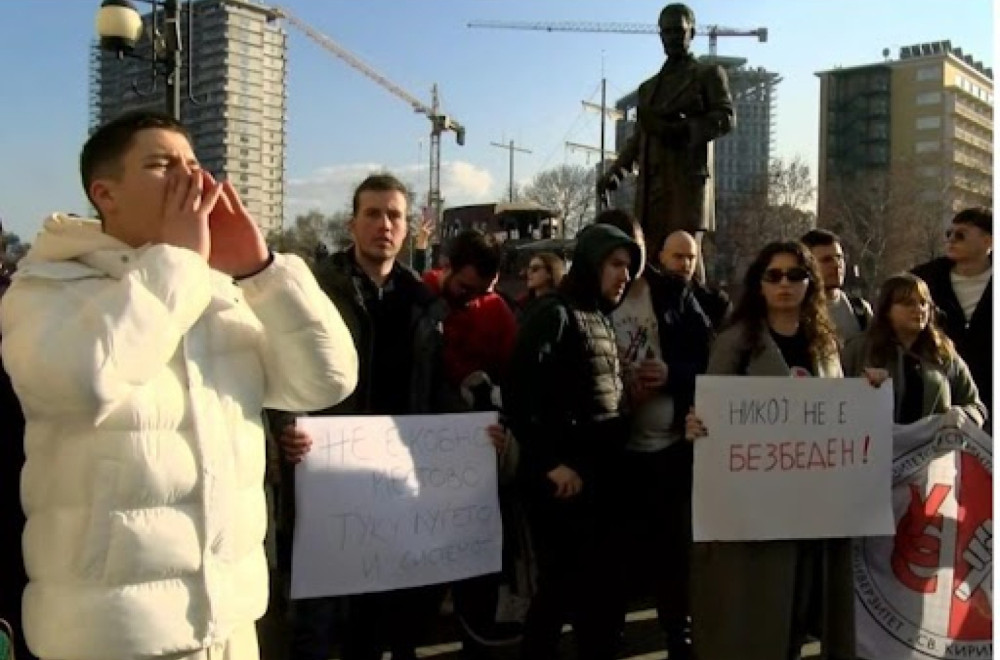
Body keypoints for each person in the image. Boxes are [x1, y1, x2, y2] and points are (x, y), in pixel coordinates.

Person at [0, 110, 358, 660]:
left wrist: (261, 269)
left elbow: (326, 381)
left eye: (193, 163)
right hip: (113, 635)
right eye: (161, 164)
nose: (189, 178)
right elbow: (83, 386)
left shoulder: (216, 291)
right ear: (106, 194)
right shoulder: (46, 288)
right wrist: (178, 261)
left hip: (227, 622)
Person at [281, 173, 449, 660]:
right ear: (352, 223)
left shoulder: (424, 303)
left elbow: (437, 386)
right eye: (372, 213)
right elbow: (281, 371)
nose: (384, 224)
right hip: (327, 484)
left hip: (393, 489)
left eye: (394, 215)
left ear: (407, 227)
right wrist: (285, 427)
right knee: (317, 626)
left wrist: (481, 436)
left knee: (383, 626)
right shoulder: (313, 292)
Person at [684, 241, 856, 660]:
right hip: (752, 510)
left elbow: (839, 414)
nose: (784, 284)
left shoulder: (826, 345)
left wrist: (866, 389)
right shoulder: (736, 342)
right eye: (773, 275)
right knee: (754, 613)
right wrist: (698, 425)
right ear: (759, 284)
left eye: (796, 275)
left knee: (797, 610)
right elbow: (713, 411)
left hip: (810, 506)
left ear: (810, 284)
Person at [503, 223, 641, 660]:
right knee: (559, 592)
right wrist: (550, 464)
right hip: (563, 485)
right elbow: (520, 391)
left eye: (629, 267)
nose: (624, 275)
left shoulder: (597, 314)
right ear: (590, 263)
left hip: (598, 482)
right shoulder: (554, 313)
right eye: (616, 264)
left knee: (594, 597)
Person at [596, 211, 712, 660]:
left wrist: (672, 375)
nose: (627, 258)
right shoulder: (590, 300)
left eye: (636, 245)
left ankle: (677, 635)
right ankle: (609, 638)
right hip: (614, 452)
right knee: (614, 558)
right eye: (616, 248)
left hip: (669, 448)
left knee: (673, 554)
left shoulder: (675, 294)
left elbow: (708, 358)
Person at [598, 3, 734, 280]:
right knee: (649, 258)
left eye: (678, 30)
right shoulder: (648, 88)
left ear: (692, 32)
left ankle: (698, 318)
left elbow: (725, 118)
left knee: (686, 257)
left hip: (686, 184)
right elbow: (639, 137)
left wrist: (682, 130)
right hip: (651, 185)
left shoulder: (708, 75)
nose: (672, 37)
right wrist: (616, 171)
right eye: (666, 31)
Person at [842, 273, 986, 426]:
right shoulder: (860, 349)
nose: (918, 309)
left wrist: (961, 417)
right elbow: (834, 400)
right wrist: (862, 389)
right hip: (875, 445)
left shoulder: (942, 352)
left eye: (924, 303)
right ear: (887, 310)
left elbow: (975, 406)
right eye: (908, 303)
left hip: (932, 446)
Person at [911, 207, 992, 426]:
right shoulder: (923, 279)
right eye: (949, 234)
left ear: (988, 241)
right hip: (936, 399)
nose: (952, 240)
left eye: (961, 235)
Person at [800, 228, 872, 344]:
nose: (836, 265)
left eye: (839, 258)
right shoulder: (796, 312)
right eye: (826, 260)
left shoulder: (861, 311)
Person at [659, 229, 730, 328]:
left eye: (691, 258)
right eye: (678, 256)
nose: (686, 264)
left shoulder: (716, 302)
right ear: (662, 257)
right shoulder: (650, 297)